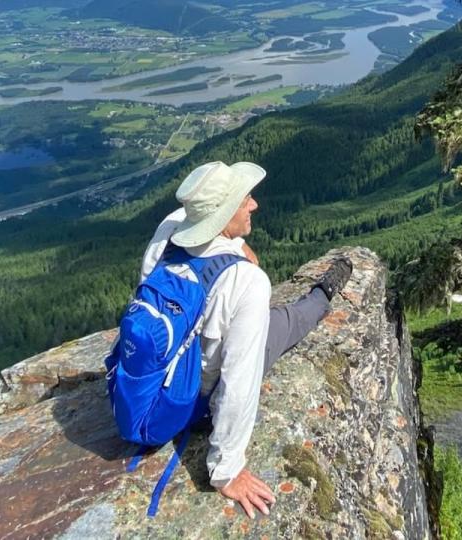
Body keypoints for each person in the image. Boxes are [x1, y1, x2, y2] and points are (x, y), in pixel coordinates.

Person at [139, 161, 353, 519]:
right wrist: (226, 470)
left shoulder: (172, 227)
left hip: (155, 378)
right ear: (222, 216)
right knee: (286, 321)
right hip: (197, 396)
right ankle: (322, 296)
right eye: (245, 200)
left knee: (259, 318)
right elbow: (239, 381)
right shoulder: (246, 284)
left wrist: (239, 249)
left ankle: (316, 299)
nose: (254, 204)